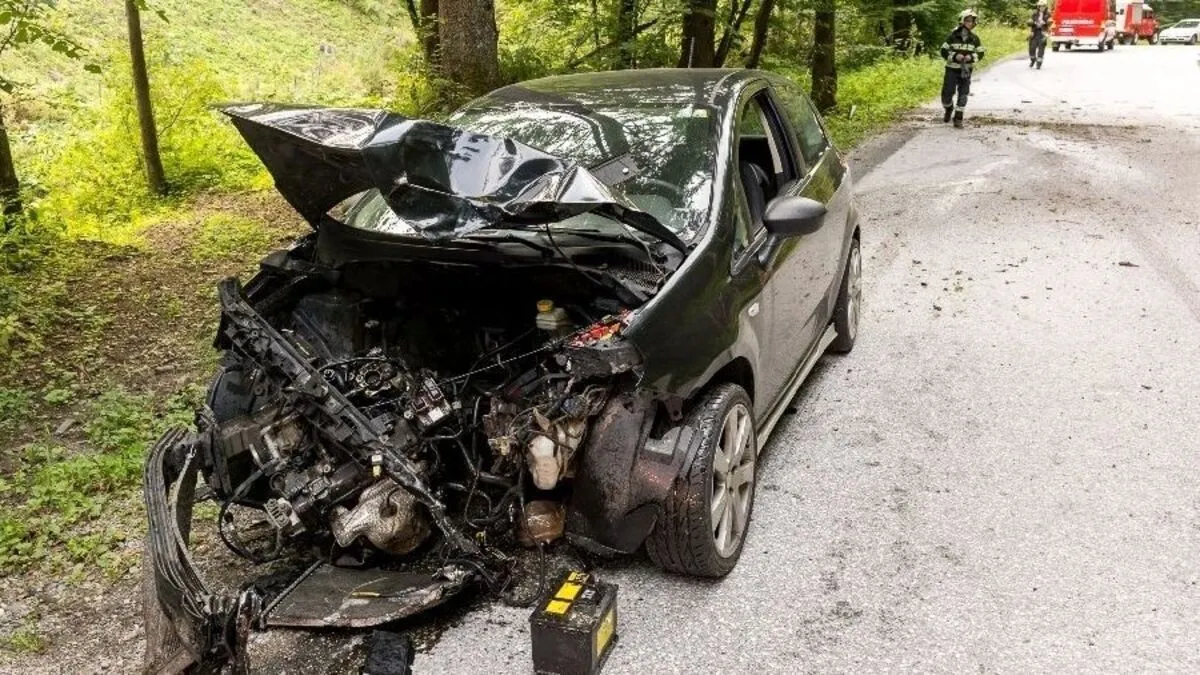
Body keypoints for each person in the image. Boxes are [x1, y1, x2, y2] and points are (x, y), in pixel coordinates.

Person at [939, 9, 986, 128]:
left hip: (966, 70)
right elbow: (943, 51)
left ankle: (958, 118)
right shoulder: (952, 36)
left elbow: (980, 53)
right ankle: (949, 108)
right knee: (947, 94)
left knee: (963, 94)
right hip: (951, 69)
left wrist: (971, 57)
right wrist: (955, 56)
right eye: (968, 20)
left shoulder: (975, 38)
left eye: (973, 21)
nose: (971, 23)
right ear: (962, 21)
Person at [1029, 0, 1052, 68]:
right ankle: (1033, 60)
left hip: (1043, 33)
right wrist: (1032, 23)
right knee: (1032, 48)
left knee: (1041, 48)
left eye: (1043, 6)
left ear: (1046, 6)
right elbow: (1031, 22)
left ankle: (1039, 63)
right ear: (1038, 6)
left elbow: (1051, 22)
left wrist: (1046, 22)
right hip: (1035, 32)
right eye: (1040, 6)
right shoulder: (1035, 13)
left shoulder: (1048, 13)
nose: (1042, 7)